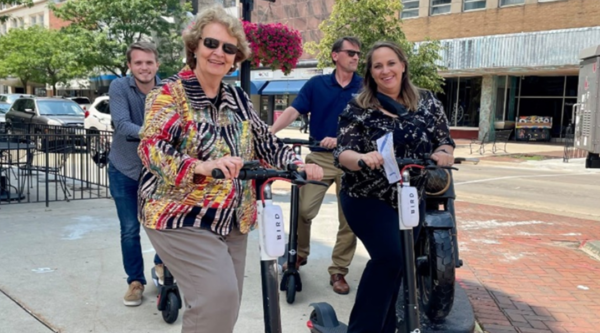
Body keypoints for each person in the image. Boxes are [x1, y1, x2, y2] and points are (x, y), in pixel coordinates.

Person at [136, 5, 323, 333]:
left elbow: (265, 142)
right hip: (182, 215)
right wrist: (202, 167)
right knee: (216, 298)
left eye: (229, 48)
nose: (219, 53)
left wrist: (296, 164)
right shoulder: (168, 94)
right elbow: (152, 149)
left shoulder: (238, 98)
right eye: (211, 43)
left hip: (233, 218)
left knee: (226, 305)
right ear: (194, 46)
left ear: (236, 57)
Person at [333, 41, 455, 332]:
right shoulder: (358, 107)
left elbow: (444, 140)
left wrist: (444, 153)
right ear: (371, 73)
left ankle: (385, 328)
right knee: (390, 257)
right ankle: (362, 329)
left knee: (400, 268)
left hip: (410, 197)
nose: (385, 70)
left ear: (402, 65)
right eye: (378, 66)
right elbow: (343, 153)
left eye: (391, 63)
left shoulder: (427, 102)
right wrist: (362, 158)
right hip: (367, 196)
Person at [270, 36, 362, 295]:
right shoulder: (316, 84)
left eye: (358, 53)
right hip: (320, 157)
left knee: (349, 219)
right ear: (335, 55)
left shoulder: (366, 87)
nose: (355, 57)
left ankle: (338, 270)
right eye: (350, 52)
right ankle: (299, 254)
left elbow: (373, 123)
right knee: (303, 209)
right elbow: (294, 110)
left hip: (352, 160)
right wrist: (271, 130)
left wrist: (343, 139)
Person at [107, 41, 163, 307]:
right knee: (130, 229)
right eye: (138, 62)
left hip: (159, 170)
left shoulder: (168, 90)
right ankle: (135, 282)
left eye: (149, 62)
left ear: (157, 65)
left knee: (164, 224)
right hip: (124, 168)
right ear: (130, 66)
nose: (144, 67)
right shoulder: (119, 87)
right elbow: (122, 124)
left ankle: (162, 265)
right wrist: (157, 133)